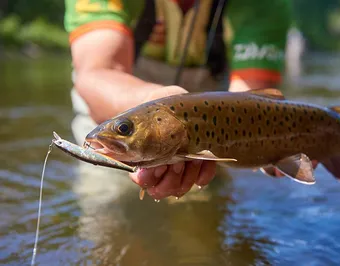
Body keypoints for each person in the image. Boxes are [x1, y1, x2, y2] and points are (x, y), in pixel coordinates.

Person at [64, 0, 293, 201]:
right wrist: (152, 102)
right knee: (105, 207)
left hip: (216, 117)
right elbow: (97, 73)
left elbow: (252, 103)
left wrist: (276, 153)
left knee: (203, 218)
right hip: (117, 102)